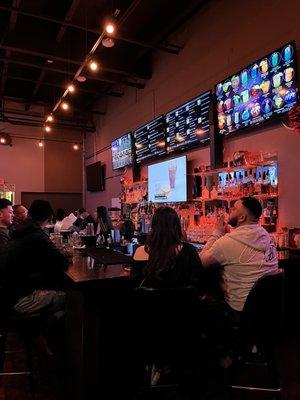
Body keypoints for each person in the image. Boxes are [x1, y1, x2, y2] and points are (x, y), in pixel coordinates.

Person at [200, 196, 278, 313]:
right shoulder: (267, 236)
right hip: (270, 308)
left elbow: (201, 261)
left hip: (240, 311)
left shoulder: (228, 241)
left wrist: (217, 233)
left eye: (234, 208)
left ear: (242, 217)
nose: (230, 210)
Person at [1, 200, 68, 317]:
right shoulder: (36, 234)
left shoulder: (19, 231)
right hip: (20, 299)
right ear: (50, 217)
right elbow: (63, 263)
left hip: (7, 294)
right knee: (71, 297)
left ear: (29, 214)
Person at [133, 206, 203, 289]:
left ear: (153, 227)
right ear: (177, 226)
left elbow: (134, 284)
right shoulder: (188, 250)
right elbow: (199, 280)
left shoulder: (140, 252)